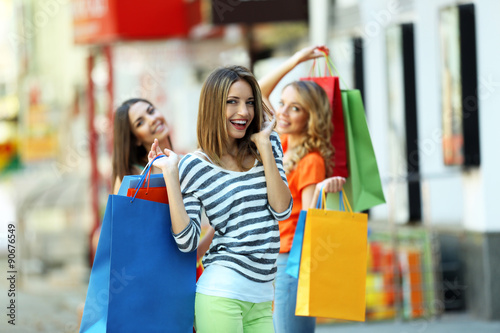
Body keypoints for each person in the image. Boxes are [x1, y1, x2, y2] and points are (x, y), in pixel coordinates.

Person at [148, 65, 293, 333]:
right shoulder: (194, 165)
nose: (244, 112)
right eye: (232, 102)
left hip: (262, 299)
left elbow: (282, 210)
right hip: (220, 293)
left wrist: (263, 144)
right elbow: (187, 241)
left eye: (250, 102)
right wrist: (171, 175)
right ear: (214, 107)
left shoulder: (268, 144)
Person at [258, 45, 346, 333]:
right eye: (282, 103)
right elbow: (258, 92)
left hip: (289, 261)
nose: (282, 112)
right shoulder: (280, 146)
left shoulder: (311, 160)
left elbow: (310, 219)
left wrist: (322, 189)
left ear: (311, 118)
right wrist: (294, 60)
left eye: (294, 108)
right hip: (273, 259)